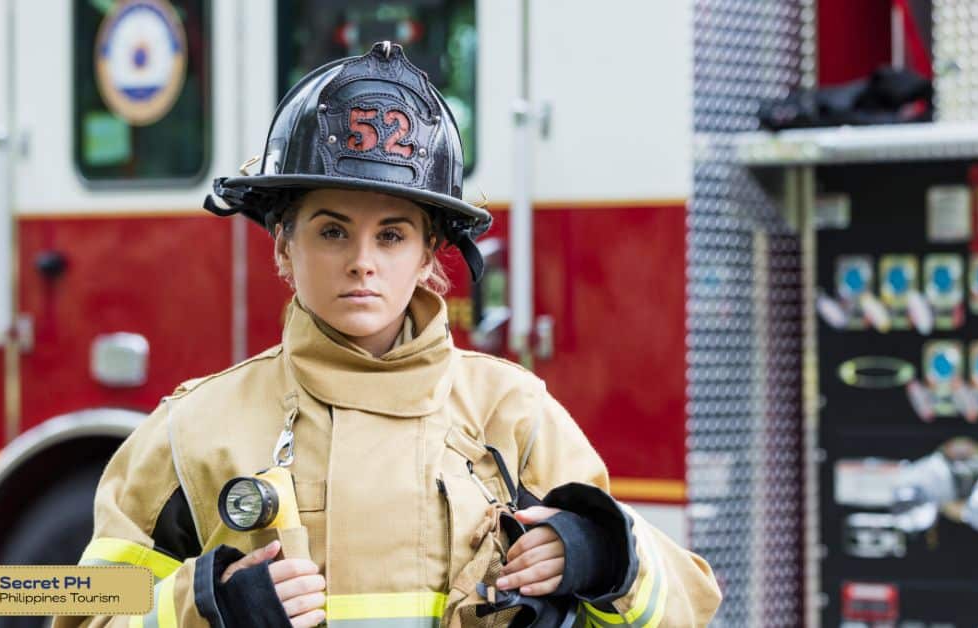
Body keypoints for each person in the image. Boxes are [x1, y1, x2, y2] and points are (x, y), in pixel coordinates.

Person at [54, 42, 721, 628]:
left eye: (393, 235)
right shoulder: (192, 429)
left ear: (429, 255)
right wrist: (209, 606)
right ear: (283, 246)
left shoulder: (513, 415)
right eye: (332, 231)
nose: (362, 261)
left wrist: (604, 555)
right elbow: (69, 605)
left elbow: (691, 603)